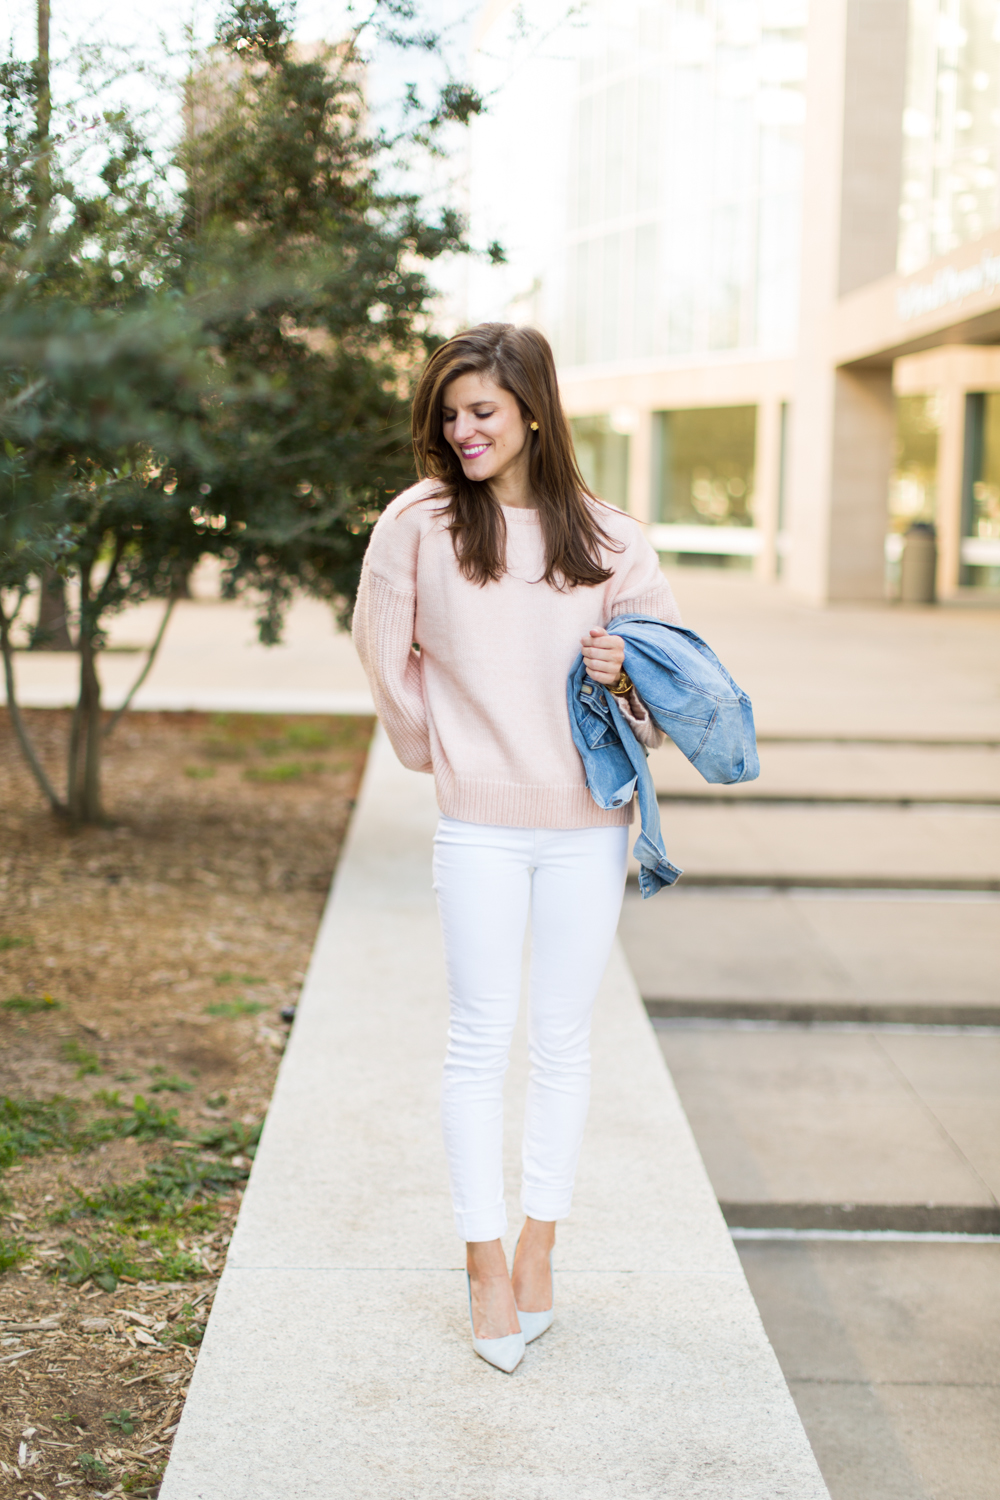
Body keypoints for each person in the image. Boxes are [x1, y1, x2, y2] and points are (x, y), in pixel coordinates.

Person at [353, 323, 681, 1372]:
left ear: (533, 410)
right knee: (476, 1039)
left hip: (587, 825)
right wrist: (431, 750)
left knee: (561, 1040)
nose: (460, 432)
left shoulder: (614, 539)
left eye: (481, 412)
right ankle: (481, 1257)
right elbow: (381, 649)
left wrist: (623, 669)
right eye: (447, 415)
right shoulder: (419, 523)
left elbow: (666, 697)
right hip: (481, 826)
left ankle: (540, 1247)